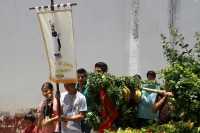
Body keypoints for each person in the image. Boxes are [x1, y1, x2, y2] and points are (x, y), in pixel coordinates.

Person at [76, 68, 91, 133]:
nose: (80, 79)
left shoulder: (91, 87)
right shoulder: (74, 88)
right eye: (78, 77)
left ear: (86, 77)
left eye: (82, 77)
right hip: (77, 117)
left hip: (87, 118)